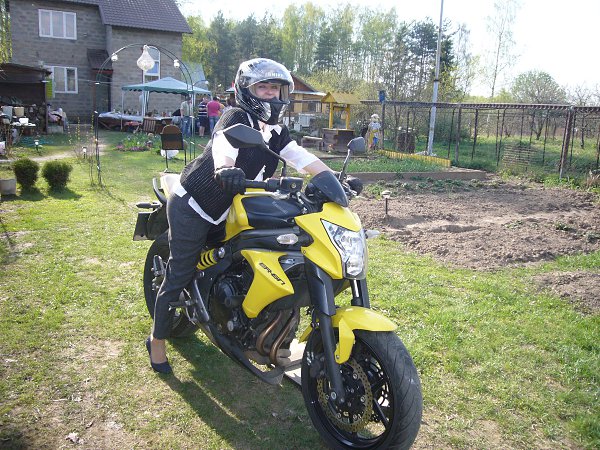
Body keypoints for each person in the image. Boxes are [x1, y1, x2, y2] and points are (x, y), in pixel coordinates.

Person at [145, 58, 363, 373]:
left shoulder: (277, 131)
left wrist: (334, 180)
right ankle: (157, 341)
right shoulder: (236, 116)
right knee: (179, 273)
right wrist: (224, 168)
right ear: (247, 90)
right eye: (264, 88)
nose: (271, 94)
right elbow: (224, 142)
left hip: (233, 207)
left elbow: (301, 157)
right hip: (195, 205)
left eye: (276, 88)